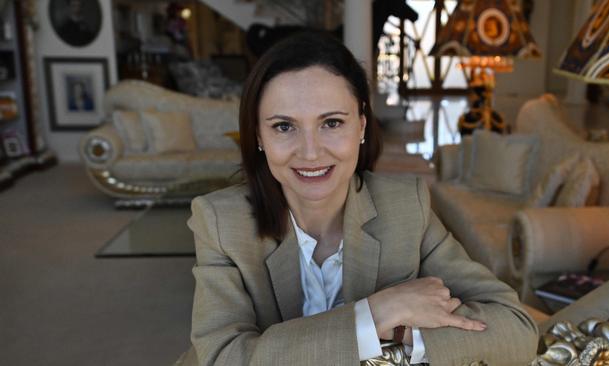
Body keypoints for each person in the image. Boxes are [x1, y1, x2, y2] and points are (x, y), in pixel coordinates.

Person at [177, 32, 538, 365]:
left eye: (331, 122)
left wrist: (402, 335)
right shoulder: (220, 221)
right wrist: (376, 315)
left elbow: (516, 327)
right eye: (284, 126)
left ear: (362, 126)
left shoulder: (407, 207)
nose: (310, 152)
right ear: (258, 135)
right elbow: (221, 358)